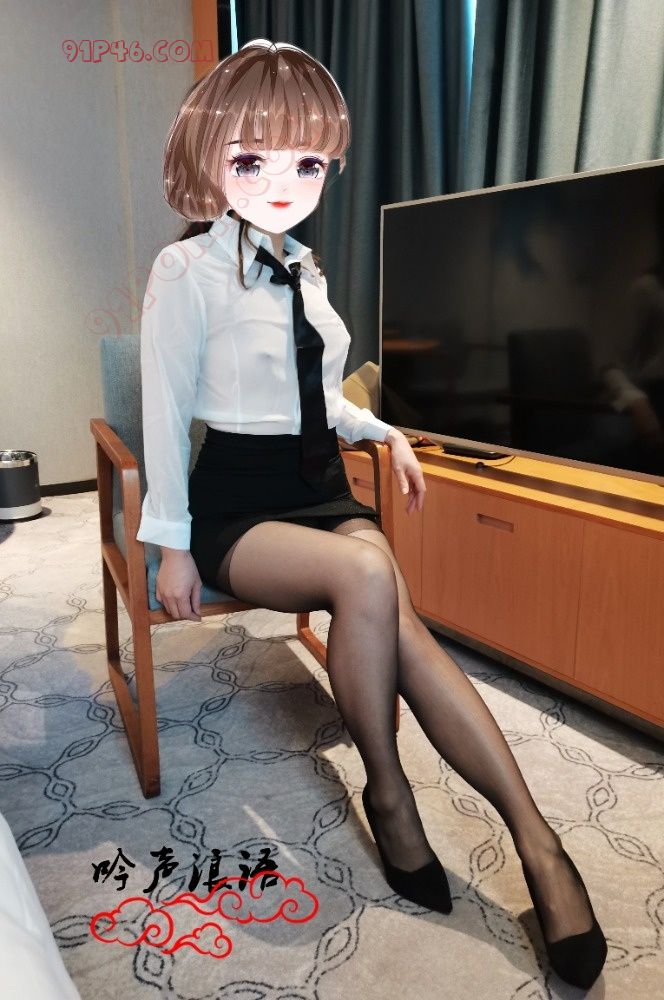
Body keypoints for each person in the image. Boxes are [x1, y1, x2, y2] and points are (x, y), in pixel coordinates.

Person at [136, 39, 607, 988]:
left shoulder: (301, 267)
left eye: (308, 163)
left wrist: (385, 430)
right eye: (252, 159)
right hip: (237, 502)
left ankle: (538, 842)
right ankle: (390, 795)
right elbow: (163, 407)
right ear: (209, 158)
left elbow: (318, 397)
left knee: (395, 609)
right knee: (367, 571)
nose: (283, 182)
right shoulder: (184, 272)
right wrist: (172, 544)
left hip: (318, 484)